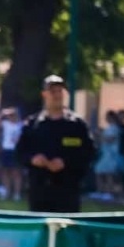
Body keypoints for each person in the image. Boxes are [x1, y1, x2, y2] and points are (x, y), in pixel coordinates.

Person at [15, 75, 96, 213]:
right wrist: (33, 159)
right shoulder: (33, 124)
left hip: (67, 190)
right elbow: (19, 153)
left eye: (60, 91)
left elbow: (89, 153)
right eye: (53, 91)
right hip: (39, 190)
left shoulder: (76, 125)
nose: (57, 95)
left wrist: (66, 162)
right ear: (44, 94)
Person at [0, 108, 24, 200]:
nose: (11, 117)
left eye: (12, 115)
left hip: (16, 150)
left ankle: (17, 193)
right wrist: (2, 114)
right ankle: (6, 191)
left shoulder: (20, 125)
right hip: (6, 150)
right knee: (5, 172)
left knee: (16, 172)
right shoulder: (5, 124)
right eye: (9, 115)